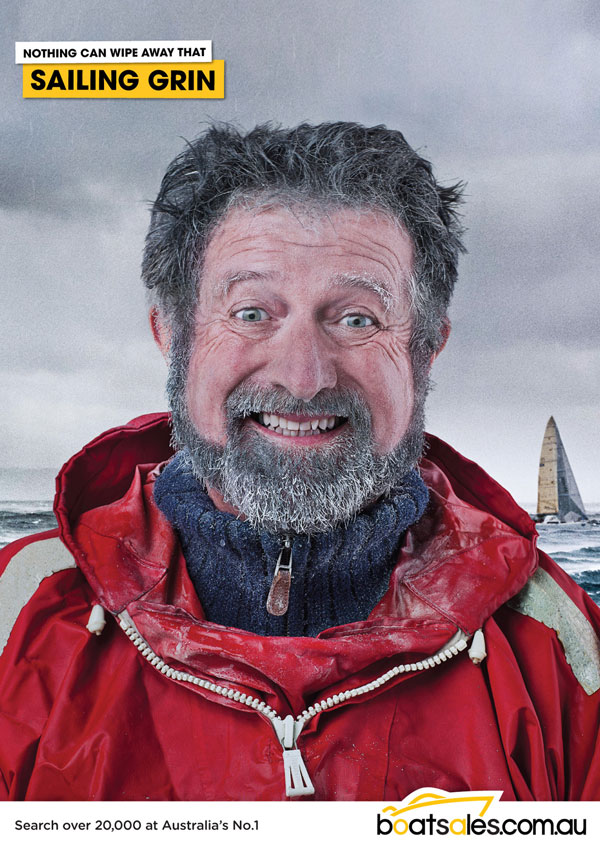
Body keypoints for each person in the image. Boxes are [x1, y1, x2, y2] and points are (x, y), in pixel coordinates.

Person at [1, 122, 599, 802]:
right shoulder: (18, 620)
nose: (305, 377)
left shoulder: (559, 651)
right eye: (252, 312)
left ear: (426, 349)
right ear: (172, 333)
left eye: (357, 320)